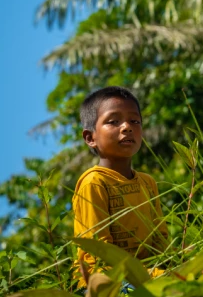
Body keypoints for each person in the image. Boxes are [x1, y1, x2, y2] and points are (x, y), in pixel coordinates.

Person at [73, 86, 168, 289]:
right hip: (102, 280)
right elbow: (100, 253)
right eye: (113, 121)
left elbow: (161, 241)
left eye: (134, 121)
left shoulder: (147, 183)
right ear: (90, 138)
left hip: (146, 274)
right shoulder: (94, 183)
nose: (127, 127)